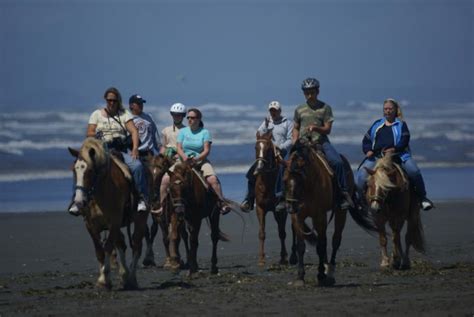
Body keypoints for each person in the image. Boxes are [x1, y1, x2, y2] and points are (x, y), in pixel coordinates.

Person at [72, 87, 149, 213]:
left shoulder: (124, 114)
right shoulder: (96, 114)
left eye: (114, 100)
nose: (111, 103)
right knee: (81, 168)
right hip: (101, 150)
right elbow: (89, 132)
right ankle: (77, 200)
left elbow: (134, 131)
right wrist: (97, 135)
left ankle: (141, 198)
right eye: (109, 100)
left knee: (137, 166)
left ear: (118, 101)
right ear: (105, 100)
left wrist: (135, 148)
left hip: (119, 151)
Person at [355, 98, 434, 211]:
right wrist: (367, 150)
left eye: (390, 109)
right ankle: (360, 201)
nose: (387, 111)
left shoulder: (401, 124)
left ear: (395, 110)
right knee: (361, 176)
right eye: (385, 109)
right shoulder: (377, 124)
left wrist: (394, 149)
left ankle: (423, 198)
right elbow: (366, 140)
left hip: (399, 155)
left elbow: (404, 140)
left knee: (414, 171)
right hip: (377, 156)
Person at [292, 77, 354, 210]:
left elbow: (328, 129)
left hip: (320, 142)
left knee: (337, 162)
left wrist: (316, 128)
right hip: (302, 143)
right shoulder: (299, 109)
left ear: (317, 91)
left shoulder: (325, 108)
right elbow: (296, 127)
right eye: (307, 92)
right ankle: (282, 196)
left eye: (312, 92)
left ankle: (343, 194)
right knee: (286, 163)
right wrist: (294, 140)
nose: (309, 95)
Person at [240, 101, 293, 211]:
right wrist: (266, 127)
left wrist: (280, 147)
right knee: (252, 171)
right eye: (271, 110)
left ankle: (284, 198)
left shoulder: (287, 123)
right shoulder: (267, 121)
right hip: (268, 153)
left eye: (275, 110)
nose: (273, 113)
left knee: (285, 169)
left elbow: (290, 140)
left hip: (282, 152)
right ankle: (248, 200)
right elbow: (259, 134)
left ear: (279, 111)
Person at [176, 108, 231, 214]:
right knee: (166, 179)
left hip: (200, 161)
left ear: (198, 119)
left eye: (192, 117)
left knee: (213, 179)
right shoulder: (183, 131)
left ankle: (222, 203)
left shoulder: (205, 132)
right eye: (188, 118)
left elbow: (206, 151)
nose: (189, 120)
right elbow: (178, 148)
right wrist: (184, 157)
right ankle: (161, 205)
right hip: (184, 161)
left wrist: (196, 159)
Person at [152, 103, 187, 215]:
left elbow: (187, 147)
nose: (177, 117)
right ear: (172, 115)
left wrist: (178, 154)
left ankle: (162, 205)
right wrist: (161, 156)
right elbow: (164, 145)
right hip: (168, 157)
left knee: (165, 180)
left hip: (179, 159)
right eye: (175, 115)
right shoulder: (166, 130)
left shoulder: (187, 130)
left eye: (179, 115)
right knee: (155, 174)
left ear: (183, 116)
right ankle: (156, 201)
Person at [128, 94, 161, 165]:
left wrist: (158, 150)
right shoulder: (128, 119)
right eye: (138, 103)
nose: (141, 105)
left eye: (141, 103)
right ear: (131, 105)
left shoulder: (149, 117)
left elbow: (154, 135)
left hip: (150, 152)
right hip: (136, 153)